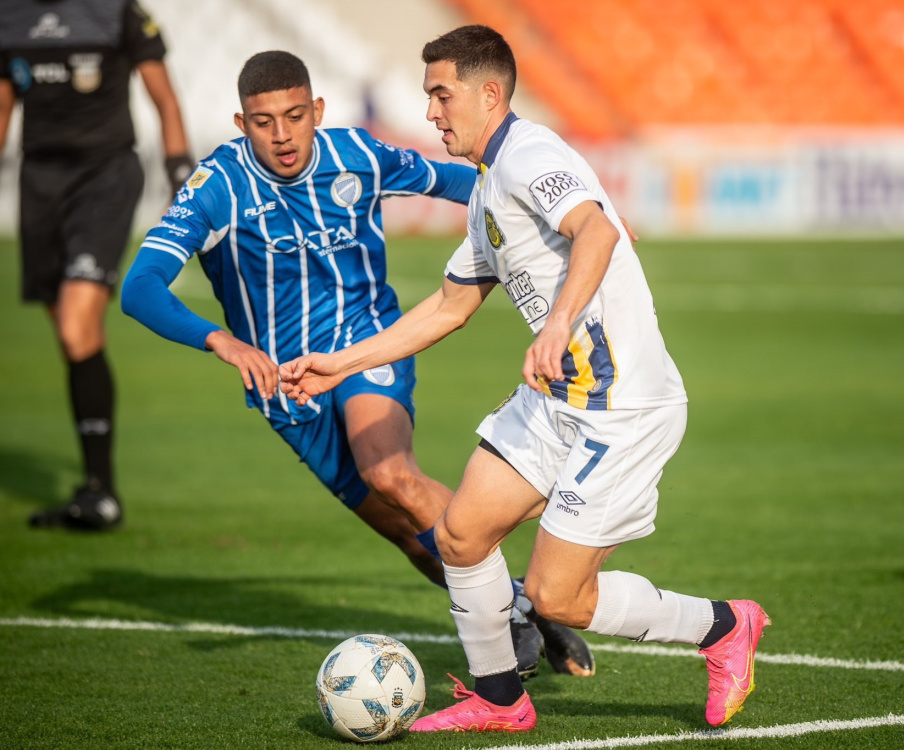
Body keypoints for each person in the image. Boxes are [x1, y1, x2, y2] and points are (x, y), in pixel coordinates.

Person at [279, 25, 770, 733]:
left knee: (556, 597)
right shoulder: (485, 193)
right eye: (428, 98)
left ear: (489, 93)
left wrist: (558, 321)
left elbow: (597, 229)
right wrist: (341, 364)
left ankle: (724, 627)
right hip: (557, 399)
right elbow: (452, 304)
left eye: (441, 96)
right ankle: (500, 699)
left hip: (623, 406)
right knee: (460, 535)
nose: (432, 113)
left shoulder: (530, 156)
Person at [120, 50, 594, 680]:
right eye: (264, 122)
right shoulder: (218, 187)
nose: (282, 135)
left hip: (365, 344)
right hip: (287, 389)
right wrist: (221, 340)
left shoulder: (358, 156)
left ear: (317, 110)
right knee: (407, 533)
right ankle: (526, 605)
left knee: (391, 473)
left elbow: (461, 182)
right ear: (241, 123)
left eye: (294, 116)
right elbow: (141, 286)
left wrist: (569, 216)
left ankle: (513, 614)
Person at [0, 0, 194, 531]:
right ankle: (96, 490)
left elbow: (165, 99)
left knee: (74, 324)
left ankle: (102, 493)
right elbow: (2, 108)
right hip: (38, 183)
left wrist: (183, 180)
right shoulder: (8, 16)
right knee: (74, 339)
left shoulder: (116, 11)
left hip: (106, 177)